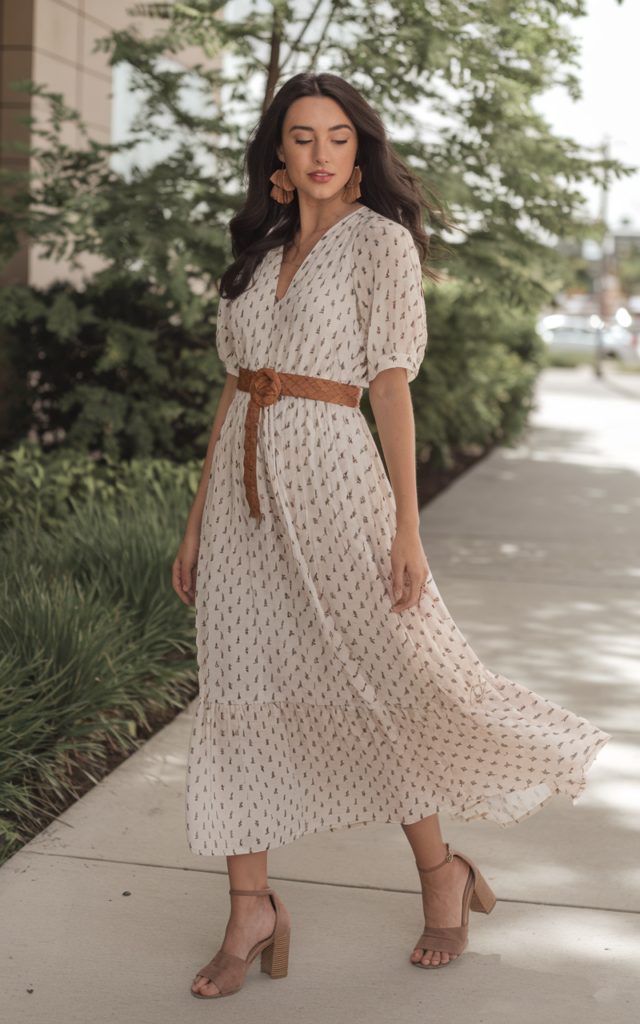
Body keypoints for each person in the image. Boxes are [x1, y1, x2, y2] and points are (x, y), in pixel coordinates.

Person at [172, 72, 610, 998]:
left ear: (359, 154)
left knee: (385, 681)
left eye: (338, 136)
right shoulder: (257, 251)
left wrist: (408, 528)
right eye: (301, 137)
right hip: (244, 503)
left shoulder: (381, 247)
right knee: (238, 692)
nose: (321, 152)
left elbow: (390, 386)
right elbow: (234, 386)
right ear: (279, 158)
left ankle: (441, 870)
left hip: (337, 486)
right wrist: (197, 522)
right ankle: (250, 906)